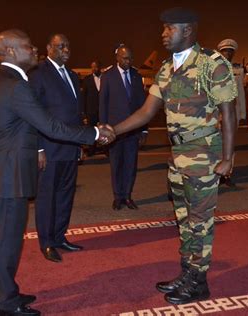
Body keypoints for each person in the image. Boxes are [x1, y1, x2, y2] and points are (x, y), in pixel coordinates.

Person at [0, 29, 114, 316]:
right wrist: (93, 133)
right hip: (7, 177)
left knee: (5, 239)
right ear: (12, 51)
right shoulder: (16, 86)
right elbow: (51, 127)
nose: (35, 50)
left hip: (0, 173)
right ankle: (5, 303)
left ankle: (7, 292)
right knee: (7, 242)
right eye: (29, 46)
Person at [113, 8, 237, 304]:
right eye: (164, 29)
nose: (164, 34)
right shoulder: (167, 68)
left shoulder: (212, 64)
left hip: (205, 154)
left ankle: (199, 281)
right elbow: (146, 112)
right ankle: (187, 272)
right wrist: (112, 131)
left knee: (201, 221)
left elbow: (229, 113)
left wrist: (228, 157)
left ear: (189, 30)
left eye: (170, 29)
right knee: (183, 219)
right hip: (178, 156)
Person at [29, 34, 86, 263]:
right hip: (49, 149)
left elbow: (75, 116)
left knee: (65, 195)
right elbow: (34, 114)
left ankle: (60, 236)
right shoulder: (38, 74)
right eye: (61, 45)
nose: (66, 49)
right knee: (46, 198)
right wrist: (38, 149)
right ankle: (46, 243)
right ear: (49, 48)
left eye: (68, 45)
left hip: (70, 148)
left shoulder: (72, 75)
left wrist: (79, 143)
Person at [99, 45, 147, 210]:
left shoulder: (136, 76)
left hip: (133, 130)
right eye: (125, 58)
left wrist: (144, 129)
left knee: (130, 165)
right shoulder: (107, 76)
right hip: (114, 130)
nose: (128, 61)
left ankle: (127, 196)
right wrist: (102, 127)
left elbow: (143, 106)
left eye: (130, 58)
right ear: (117, 58)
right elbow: (103, 103)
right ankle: (117, 197)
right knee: (116, 164)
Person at [217, 39, 246, 187]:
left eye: (230, 51)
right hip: (217, 113)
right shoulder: (212, 68)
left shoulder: (238, 71)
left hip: (233, 113)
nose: (227, 53)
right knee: (216, 144)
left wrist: (242, 114)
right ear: (220, 52)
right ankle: (215, 173)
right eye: (224, 51)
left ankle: (227, 174)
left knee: (230, 144)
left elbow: (240, 93)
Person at [81, 60, 102, 156]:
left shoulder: (105, 78)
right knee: (92, 131)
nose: (94, 69)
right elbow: (83, 96)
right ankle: (91, 150)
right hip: (91, 110)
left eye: (96, 67)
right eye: (92, 67)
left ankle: (105, 149)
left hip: (102, 110)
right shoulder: (87, 79)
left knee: (104, 130)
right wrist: (84, 112)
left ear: (100, 67)